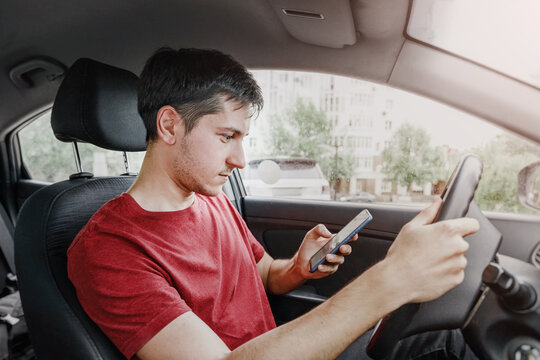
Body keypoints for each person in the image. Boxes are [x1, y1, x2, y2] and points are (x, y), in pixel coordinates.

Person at [67, 47, 480, 360]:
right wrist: (394, 278)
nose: (240, 160)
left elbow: (263, 273)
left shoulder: (210, 200)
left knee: (444, 336)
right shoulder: (108, 249)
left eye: (242, 140)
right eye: (227, 137)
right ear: (170, 125)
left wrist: (299, 267)